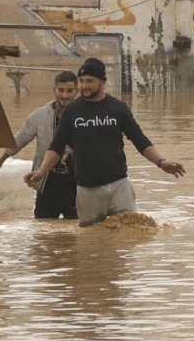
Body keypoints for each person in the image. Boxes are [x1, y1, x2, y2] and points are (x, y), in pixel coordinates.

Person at [25, 57, 185, 226]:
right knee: (91, 242)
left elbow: (140, 141)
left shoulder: (118, 108)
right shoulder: (72, 111)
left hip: (118, 185)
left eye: (90, 81)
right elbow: (56, 147)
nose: (84, 86)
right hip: (87, 190)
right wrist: (42, 171)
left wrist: (161, 162)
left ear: (103, 81)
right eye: (82, 81)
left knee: (128, 233)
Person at [0, 71, 79, 219]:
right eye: (61, 90)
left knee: (79, 230)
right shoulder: (40, 115)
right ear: (54, 90)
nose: (65, 95)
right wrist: (1, 160)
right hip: (47, 181)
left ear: (77, 91)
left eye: (69, 91)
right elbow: (20, 139)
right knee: (43, 230)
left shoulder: (84, 116)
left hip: (76, 182)